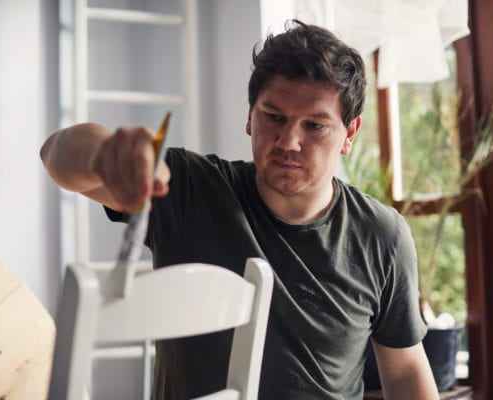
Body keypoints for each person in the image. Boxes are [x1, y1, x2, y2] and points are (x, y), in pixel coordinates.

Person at [41, 20, 438, 400]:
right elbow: (57, 156)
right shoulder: (190, 189)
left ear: (349, 134)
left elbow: (404, 370)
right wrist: (106, 153)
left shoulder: (383, 235)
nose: (289, 141)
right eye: (274, 116)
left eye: (315, 126)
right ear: (250, 116)